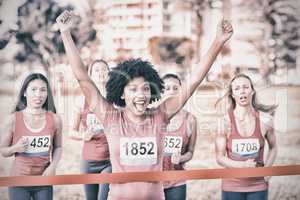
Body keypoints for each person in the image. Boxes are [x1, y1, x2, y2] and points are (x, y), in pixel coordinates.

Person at [56, 10, 233, 200]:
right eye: (133, 89)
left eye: (146, 89)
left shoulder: (160, 116)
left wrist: (218, 42)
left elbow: (194, 79)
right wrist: (65, 34)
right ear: (122, 94)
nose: (141, 95)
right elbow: (82, 76)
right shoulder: (110, 117)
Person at [215, 74, 278, 200]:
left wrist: (268, 171)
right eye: (237, 88)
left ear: (252, 91)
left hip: (258, 185)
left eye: (245, 87)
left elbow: (273, 147)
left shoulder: (265, 120)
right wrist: (242, 166)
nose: (242, 91)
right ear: (233, 94)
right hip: (231, 185)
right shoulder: (224, 122)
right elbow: (219, 157)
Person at [0, 73, 62, 200]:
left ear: (47, 94)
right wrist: (15, 148)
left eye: (43, 90)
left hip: (44, 181)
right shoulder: (13, 119)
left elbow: (58, 146)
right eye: (33, 89)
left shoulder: (55, 119)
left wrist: (52, 167)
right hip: (18, 181)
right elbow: (3, 151)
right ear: (24, 93)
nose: (38, 94)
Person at [70, 59, 111, 200]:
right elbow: (71, 132)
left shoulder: (117, 101)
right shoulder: (82, 100)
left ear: (109, 74)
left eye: (104, 69)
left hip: (110, 161)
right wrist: (83, 136)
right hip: (88, 161)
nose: (101, 72)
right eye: (97, 70)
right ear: (90, 76)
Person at [161, 74, 197, 200]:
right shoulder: (151, 117)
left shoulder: (190, 120)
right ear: (161, 92)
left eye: (175, 88)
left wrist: (181, 158)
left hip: (177, 181)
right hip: (153, 181)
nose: (171, 92)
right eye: (167, 88)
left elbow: (190, 152)